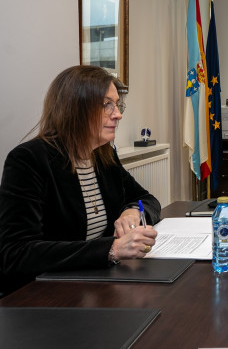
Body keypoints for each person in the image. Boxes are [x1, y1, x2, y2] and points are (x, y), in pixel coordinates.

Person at [0, 66, 160, 295]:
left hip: (93, 286)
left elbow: (147, 199)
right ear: (76, 108)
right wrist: (111, 249)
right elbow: (16, 253)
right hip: (41, 296)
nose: (118, 114)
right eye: (107, 105)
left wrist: (132, 212)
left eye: (117, 105)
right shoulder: (29, 160)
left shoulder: (103, 155)